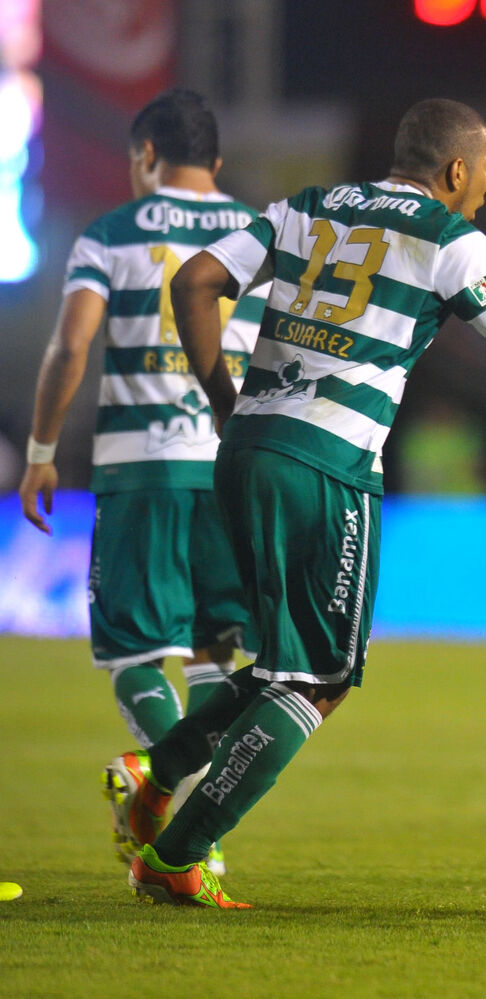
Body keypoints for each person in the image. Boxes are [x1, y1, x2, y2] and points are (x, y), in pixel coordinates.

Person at [104, 97, 486, 908]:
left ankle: (157, 770)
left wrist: (224, 401)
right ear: (455, 169)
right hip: (328, 462)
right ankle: (178, 853)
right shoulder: (446, 237)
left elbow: (197, 281)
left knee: (284, 663)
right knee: (319, 679)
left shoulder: (306, 206)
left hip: (247, 450)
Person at [18, 89, 263, 877]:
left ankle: (159, 788)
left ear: (146, 155)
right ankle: (191, 835)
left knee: (135, 647)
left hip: (141, 465)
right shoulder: (259, 233)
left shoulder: (112, 233)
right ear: (216, 161)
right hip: (230, 464)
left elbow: (70, 345)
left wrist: (41, 449)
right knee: (216, 647)